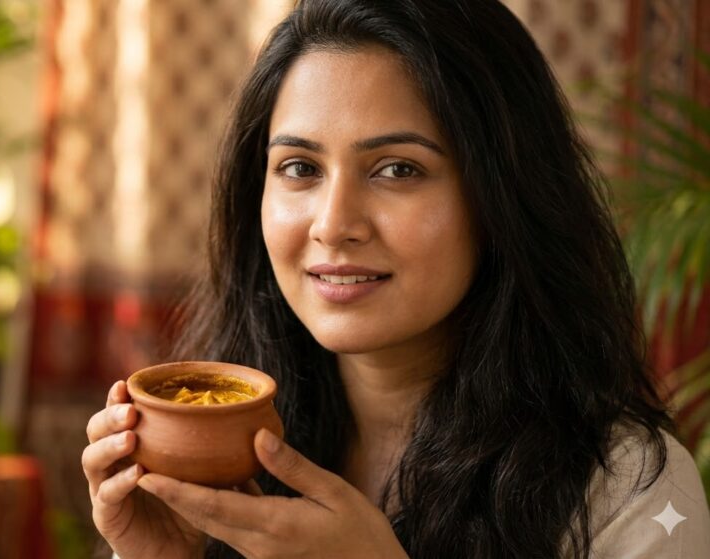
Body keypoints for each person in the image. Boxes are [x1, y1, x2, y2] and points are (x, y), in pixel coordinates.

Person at [81, 0, 710, 557]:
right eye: (300, 167)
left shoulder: (627, 488)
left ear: (502, 197)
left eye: (398, 170)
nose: (333, 225)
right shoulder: (218, 452)